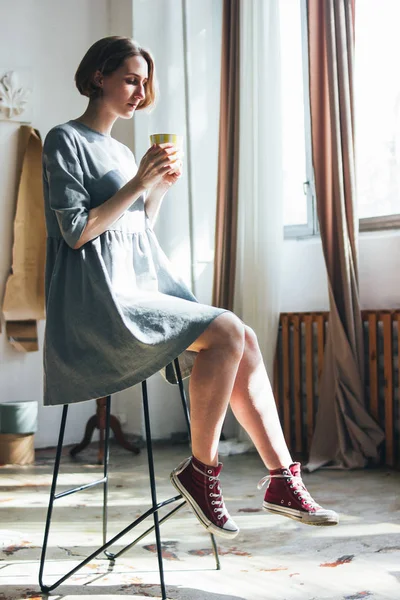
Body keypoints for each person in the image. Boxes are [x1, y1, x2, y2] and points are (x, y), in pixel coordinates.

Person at [42, 36, 338, 540]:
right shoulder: (63, 139)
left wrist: (153, 191)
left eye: (144, 82)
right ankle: (204, 474)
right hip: (98, 302)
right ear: (99, 77)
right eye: (131, 79)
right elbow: (77, 232)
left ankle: (281, 478)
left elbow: (135, 232)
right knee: (226, 328)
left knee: (240, 334)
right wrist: (138, 184)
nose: (140, 91)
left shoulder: (120, 149)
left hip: (136, 285)